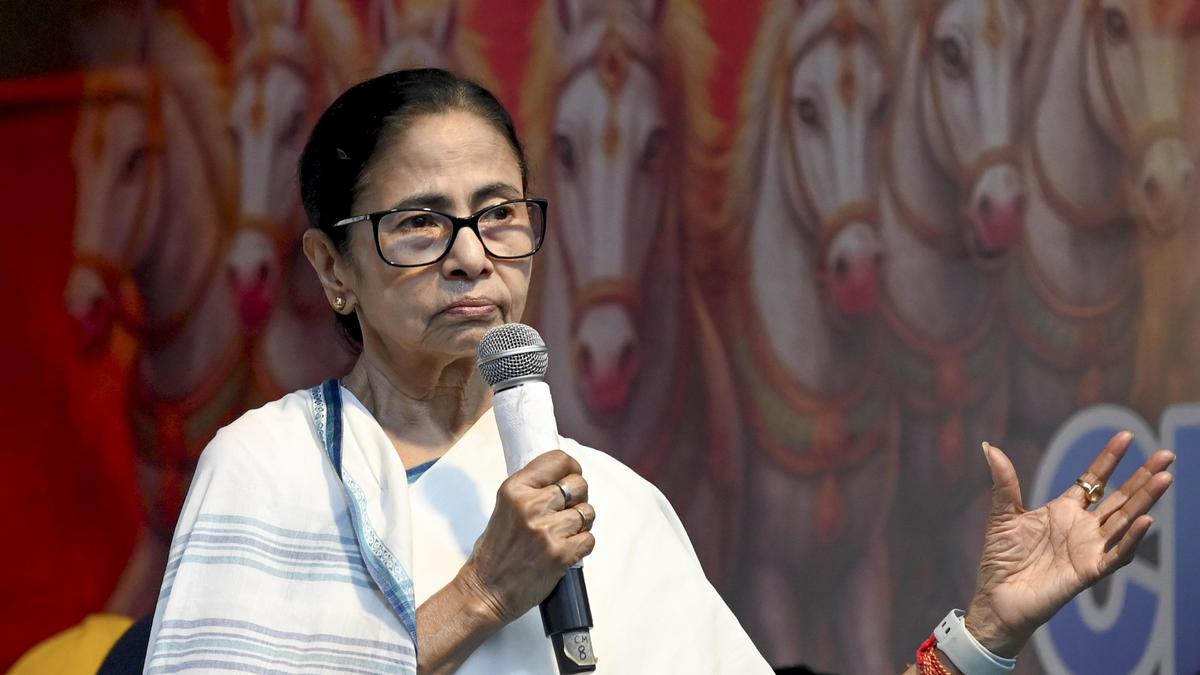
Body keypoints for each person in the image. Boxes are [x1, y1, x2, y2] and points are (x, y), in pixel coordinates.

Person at [144, 68, 1174, 674]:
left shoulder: (614, 507)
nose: (471, 255)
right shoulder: (268, 467)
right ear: (333, 268)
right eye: (419, 223)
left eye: (498, 214)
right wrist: (481, 594)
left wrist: (985, 629)